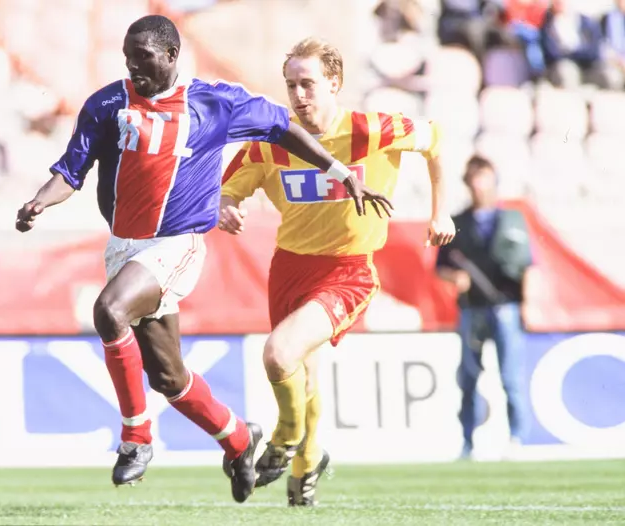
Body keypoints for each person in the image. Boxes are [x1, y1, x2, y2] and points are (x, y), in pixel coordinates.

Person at [14, 16, 392, 504]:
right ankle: (237, 439)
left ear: (171, 55)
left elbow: (283, 128)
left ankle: (136, 437)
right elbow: (71, 171)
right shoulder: (108, 103)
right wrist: (41, 201)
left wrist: (341, 171)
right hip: (125, 246)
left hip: (177, 244)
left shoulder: (214, 102)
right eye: (128, 57)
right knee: (168, 376)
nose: (133, 65)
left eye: (144, 57)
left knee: (108, 311)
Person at [219, 37, 455, 506]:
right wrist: (226, 207)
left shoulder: (373, 130)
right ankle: (309, 463)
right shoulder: (273, 141)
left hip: (349, 270)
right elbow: (230, 189)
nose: (299, 95)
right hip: (289, 267)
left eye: (308, 84)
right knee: (302, 374)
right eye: (291, 86)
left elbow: (436, 139)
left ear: (335, 83)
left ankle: (284, 440)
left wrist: (440, 212)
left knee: (277, 354)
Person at [435, 155, 534, 460]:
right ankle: (467, 443)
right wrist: (455, 276)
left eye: (485, 179)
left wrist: (527, 305)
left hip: (506, 306)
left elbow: (529, 266)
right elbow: (439, 266)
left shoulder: (513, 219)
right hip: (471, 308)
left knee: (510, 377)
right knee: (468, 377)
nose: (480, 187)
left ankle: (517, 439)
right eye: (475, 180)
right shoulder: (457, 223)